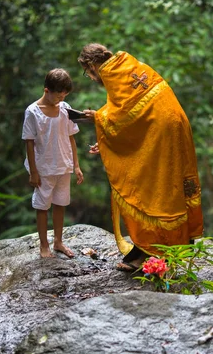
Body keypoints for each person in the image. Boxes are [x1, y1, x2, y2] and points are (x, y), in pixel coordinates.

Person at [78, 43, 204, 271]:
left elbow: (123, 118)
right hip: (175, 124)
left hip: (161, 132)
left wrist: (97, 118)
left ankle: (150, 251)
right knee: (171, 184)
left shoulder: (109, 72)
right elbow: (131, 114)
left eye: (87, 73)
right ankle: (176, 243)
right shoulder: (126, 62)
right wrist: (105, 138)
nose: (90, 77)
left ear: (91, 65)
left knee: (152, 189)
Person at [22, 68, 84, 259]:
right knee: (42, 206)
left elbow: (71, 138)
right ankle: (44, 245)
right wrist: (33, 171)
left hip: (63, 165)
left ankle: (58, 241)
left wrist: (77, 165)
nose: (62, 97)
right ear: (46, 90)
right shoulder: (33, 112)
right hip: (44, 167)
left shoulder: (65, 108)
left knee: (61, 203)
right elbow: (29, 142)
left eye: (65, 93)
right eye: (59, 93)